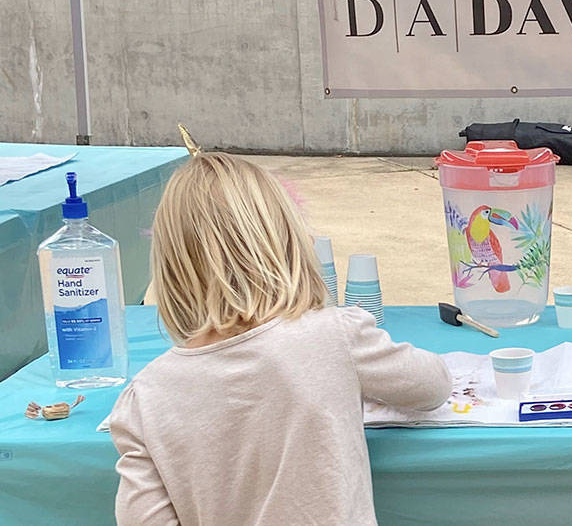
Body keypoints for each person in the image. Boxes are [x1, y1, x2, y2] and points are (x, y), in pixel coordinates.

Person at [110, 152, 453, 526]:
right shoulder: (335, 335)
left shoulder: (144, 397)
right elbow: (432, 385)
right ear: (288, 242)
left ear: (172, 266)